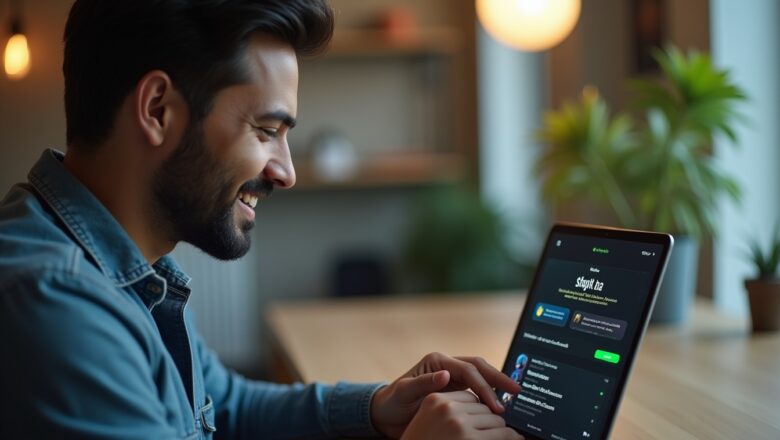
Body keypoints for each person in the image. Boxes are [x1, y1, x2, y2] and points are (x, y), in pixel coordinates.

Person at [0, 1, 523, 439]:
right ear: (158, 110)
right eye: (266, 129)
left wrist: (380, 406)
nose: (287, 171)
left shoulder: (126, 271)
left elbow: (224, 405)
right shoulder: (55, 303)